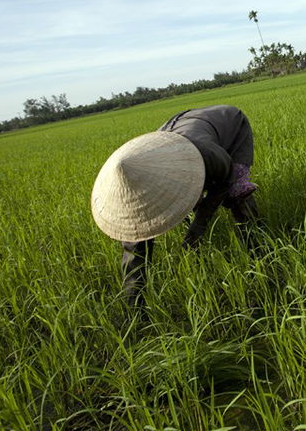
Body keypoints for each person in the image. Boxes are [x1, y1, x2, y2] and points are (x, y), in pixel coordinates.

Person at [91, 105, 259, 309]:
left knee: (236, 194)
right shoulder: (136, 184)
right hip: (180, 129)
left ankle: (258, 251)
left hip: (228, 124)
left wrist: (199, 226)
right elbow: (134, 248)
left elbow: (226, 177)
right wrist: (134, 304)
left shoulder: (205, 154)